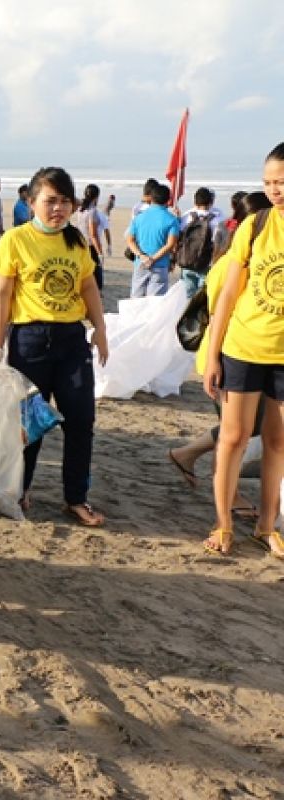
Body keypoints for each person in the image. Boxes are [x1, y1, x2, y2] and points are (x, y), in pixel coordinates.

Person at [0, 167, 109, 526]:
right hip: (29, 341)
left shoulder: (76, 241)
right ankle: (20, 487)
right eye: (50, 200)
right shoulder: (14, 240)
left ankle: (76, 498)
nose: (58, 208)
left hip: (72, 340)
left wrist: (100, 329)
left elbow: (88, 287)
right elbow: (1, 294)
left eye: (64, 201)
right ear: (31, 202)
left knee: (80, 421)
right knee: (30, 423)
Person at [201, 143, 284, 557]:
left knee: (278, 442)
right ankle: (223, 522)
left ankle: (267, 526)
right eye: (268, 182)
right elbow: (228, 295)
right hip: (244, 347)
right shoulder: (255, 227)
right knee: (232, 438)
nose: (275, 190)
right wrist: (212, 356)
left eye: (281, 182)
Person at [168, 192, 272, 519]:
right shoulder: (234, 262)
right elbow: (222, 308)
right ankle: (228, 494)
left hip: (234, 352)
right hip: (231, 353)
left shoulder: (229, 257)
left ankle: (187, 455)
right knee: (238, 429)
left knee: (242, 426)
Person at [125, 181, 179, 297]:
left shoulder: (139, 217)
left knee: (136, 299)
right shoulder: (172, 220)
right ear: (168, 200)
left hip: (141, 262)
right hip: (160, 264)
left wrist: (141, 256)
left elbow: (130, 240)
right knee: (155, 303)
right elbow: (170, 245)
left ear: (151, 198)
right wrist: (153, 259)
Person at [176, 186, 225, 295]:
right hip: (206, 263)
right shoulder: (218, 219)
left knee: (188, 294)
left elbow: (179, 237)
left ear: (195, 201)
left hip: (187, 261)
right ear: (211, 202)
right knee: (202, 295)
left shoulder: (187, 216)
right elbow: (219, 243)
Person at [70, 183, 105, 291]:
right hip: (90, 245)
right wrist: (99, 252)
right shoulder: (92, 211)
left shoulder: (81, 208)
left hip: (79, 242)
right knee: (95, 273)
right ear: (97, 196)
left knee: (83, 270)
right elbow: (93, 234)